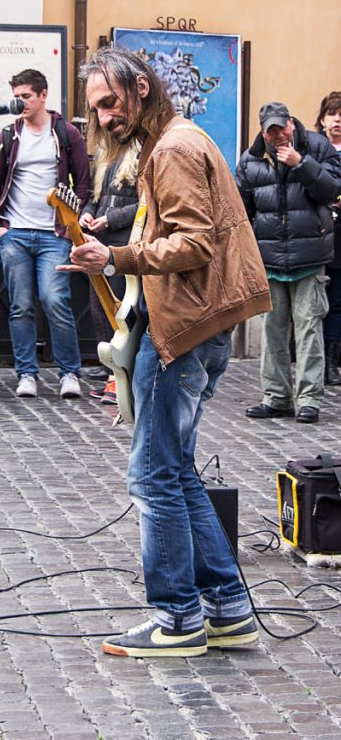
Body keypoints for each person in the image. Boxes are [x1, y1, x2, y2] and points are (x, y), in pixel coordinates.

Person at [64, 45, 271, 657]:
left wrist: (117, 256)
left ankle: (179, 619)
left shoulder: (174, 147)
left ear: (142, 90)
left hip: (183, 330)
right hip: (192, 326)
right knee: (176, 471)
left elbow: (194, 244)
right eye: (96, 108)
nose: (102, 118)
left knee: (153, 476)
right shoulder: (175, 141)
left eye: (110, 103)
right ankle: (228, 611)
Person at [0, 68, 90, 399]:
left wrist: (76, 218)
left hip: (54, 233)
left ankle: (69, 373)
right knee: (20, 306)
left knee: (55, 299)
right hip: (14, 232)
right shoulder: (7, 136)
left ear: (43, 95)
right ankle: (26, 373)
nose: (21, 102)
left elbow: (83, 182)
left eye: (26, 96)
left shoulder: (66, 133)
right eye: (16, 97)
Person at [236, 101, 341, 424]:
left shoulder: (318, 148)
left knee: (309, 328)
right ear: (262, 132)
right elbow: (242, 210)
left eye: (283, 127)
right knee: (273, 331)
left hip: (310, 256)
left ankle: (309, 398)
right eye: (272, 131)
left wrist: (301, 164)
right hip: (269, 259)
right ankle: (277, 397)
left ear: (292, 123)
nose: (279, 135)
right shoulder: (251, 160)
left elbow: (333, 191)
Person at [79, 141, 139, 404]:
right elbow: (95, 198)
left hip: (124, 242)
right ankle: (109, 369)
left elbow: (145, 205)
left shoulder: (141, 155)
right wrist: (87, 214)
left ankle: (120, 375)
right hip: (100, 240)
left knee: (120, 312)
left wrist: (111, 219)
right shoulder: (105, 155)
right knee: (99, 307)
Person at [314, 92, 341, 386]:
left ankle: (332, 363)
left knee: (337, 301)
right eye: (332, 113)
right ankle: (313, 359)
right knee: (315, 303)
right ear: (322, 119)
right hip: (317, 235)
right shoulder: (313, 149)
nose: (338, 119)